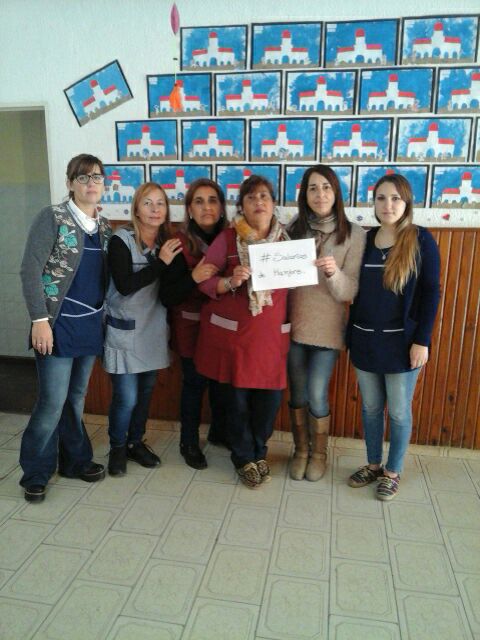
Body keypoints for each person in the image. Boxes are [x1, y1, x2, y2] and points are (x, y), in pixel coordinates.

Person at [19, 153, 111, 503]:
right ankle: (36, 472)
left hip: (89, 326)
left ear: (104, 184)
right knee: (52, 402)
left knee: (75, 398)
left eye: (96, 177)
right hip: (55, 326)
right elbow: (30, 270)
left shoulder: (103, 227)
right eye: (83, 177)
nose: (91, 183)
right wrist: (39, 321)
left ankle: (75, 461)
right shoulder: (53, 217)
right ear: (70, 183)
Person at [347, 173, 441, 500]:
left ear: (407, 202)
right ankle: (373, 464)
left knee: (399, 412)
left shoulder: (421, 239)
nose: (388, 204)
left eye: (395, 198)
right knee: (371, 408)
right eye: (381, 198)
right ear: (373, 203)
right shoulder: (364, 239)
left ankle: (392, 471)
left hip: (402, 346)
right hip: (365, 340)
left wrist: (422, 341)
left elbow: (431, 293)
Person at [194, 175, 290, 488]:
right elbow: (204, 281)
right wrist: (230, 281)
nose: (258, 202)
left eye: (264, 196)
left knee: (268, 403)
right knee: (235, 402)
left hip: (272, 338)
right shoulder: (227, 239)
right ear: (242, 206)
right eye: (250, 197)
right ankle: (244, 457)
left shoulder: (288, 243)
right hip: (236, 338)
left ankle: (259, 450)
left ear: (273, 204)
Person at [287, 165, 365, 481]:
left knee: (317, 393)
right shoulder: (293, 228)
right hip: (293, 326)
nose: (320, 194)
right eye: (313, 188)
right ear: (304, 195)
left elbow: (350, 290)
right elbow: (281, 281)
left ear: (336, 192)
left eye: (326, 187)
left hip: (329, 330)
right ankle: (300, 450)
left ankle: (319, 453)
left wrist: (334, 273)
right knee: (297, 394)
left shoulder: (354, 234)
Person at [103, 182, 179, 476]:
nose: (155, 209)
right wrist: (161, 263)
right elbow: (125, 286)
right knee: (127, 398)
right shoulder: (120, 240)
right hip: (124, 331)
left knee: (145, 393)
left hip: (153, 330)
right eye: (147, 203)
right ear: (136, 209)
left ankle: (135, 442)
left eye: (160, 203)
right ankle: (117, 447)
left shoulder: (167, 243)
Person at [159, 178, 229, 469]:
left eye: (212, 200)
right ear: (189, 209)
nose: (206, 207)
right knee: (194, 384)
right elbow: (167, 295)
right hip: (191, 327)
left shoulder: (232, 239)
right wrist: (193, 277)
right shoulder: (177, 243)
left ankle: (219, 433)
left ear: (221, 207)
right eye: (199, 201)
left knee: (222, 383)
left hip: (223, 327)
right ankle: (188, 442)